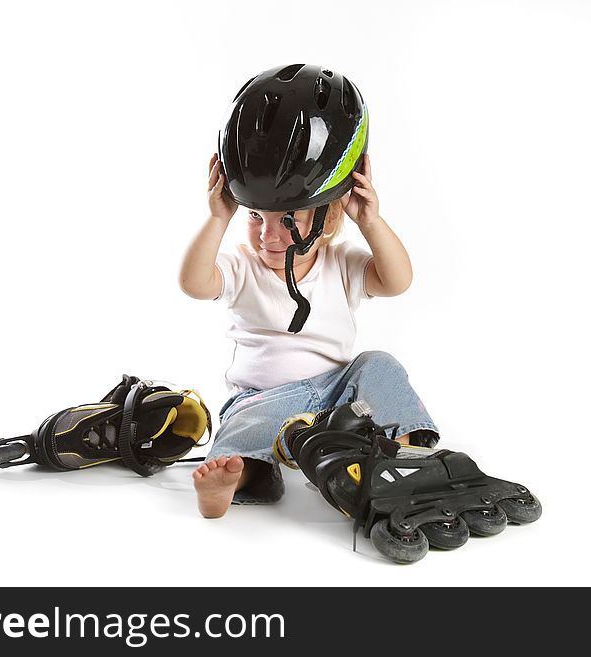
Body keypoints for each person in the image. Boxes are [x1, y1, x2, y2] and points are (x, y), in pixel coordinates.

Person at [178, 65, 439, 518]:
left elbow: (397, 281)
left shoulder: (342, 262)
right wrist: (219, 218)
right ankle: (236, 476)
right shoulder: (242, 265)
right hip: (266, 400)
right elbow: (195, 284)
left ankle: (405, 453)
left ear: (328, 217)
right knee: (243, 426)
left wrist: (370, 221)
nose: (268, 236)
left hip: (341, 398)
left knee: (379, 365)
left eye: (287, 221)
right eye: (255, 217)